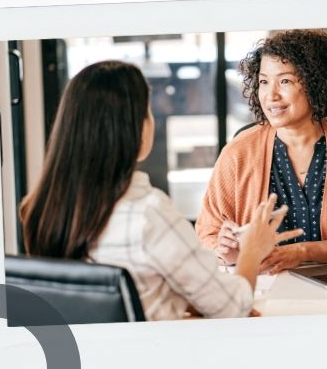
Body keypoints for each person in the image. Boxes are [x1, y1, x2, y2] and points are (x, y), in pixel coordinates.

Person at [19, 60, 302, 321]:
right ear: (133, 128)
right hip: (157, 362)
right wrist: (251, 251)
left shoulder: (41, 209)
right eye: (148, 111)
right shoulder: (148, 213)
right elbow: (233, 307)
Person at [196, 29, 327, 275]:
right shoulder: (239, 152)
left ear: (316, 83)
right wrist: (226, 252)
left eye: (285, 81)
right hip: (262, 285)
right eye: (263, 81)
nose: (270, 95)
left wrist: (304, 252)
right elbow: (207, 234)